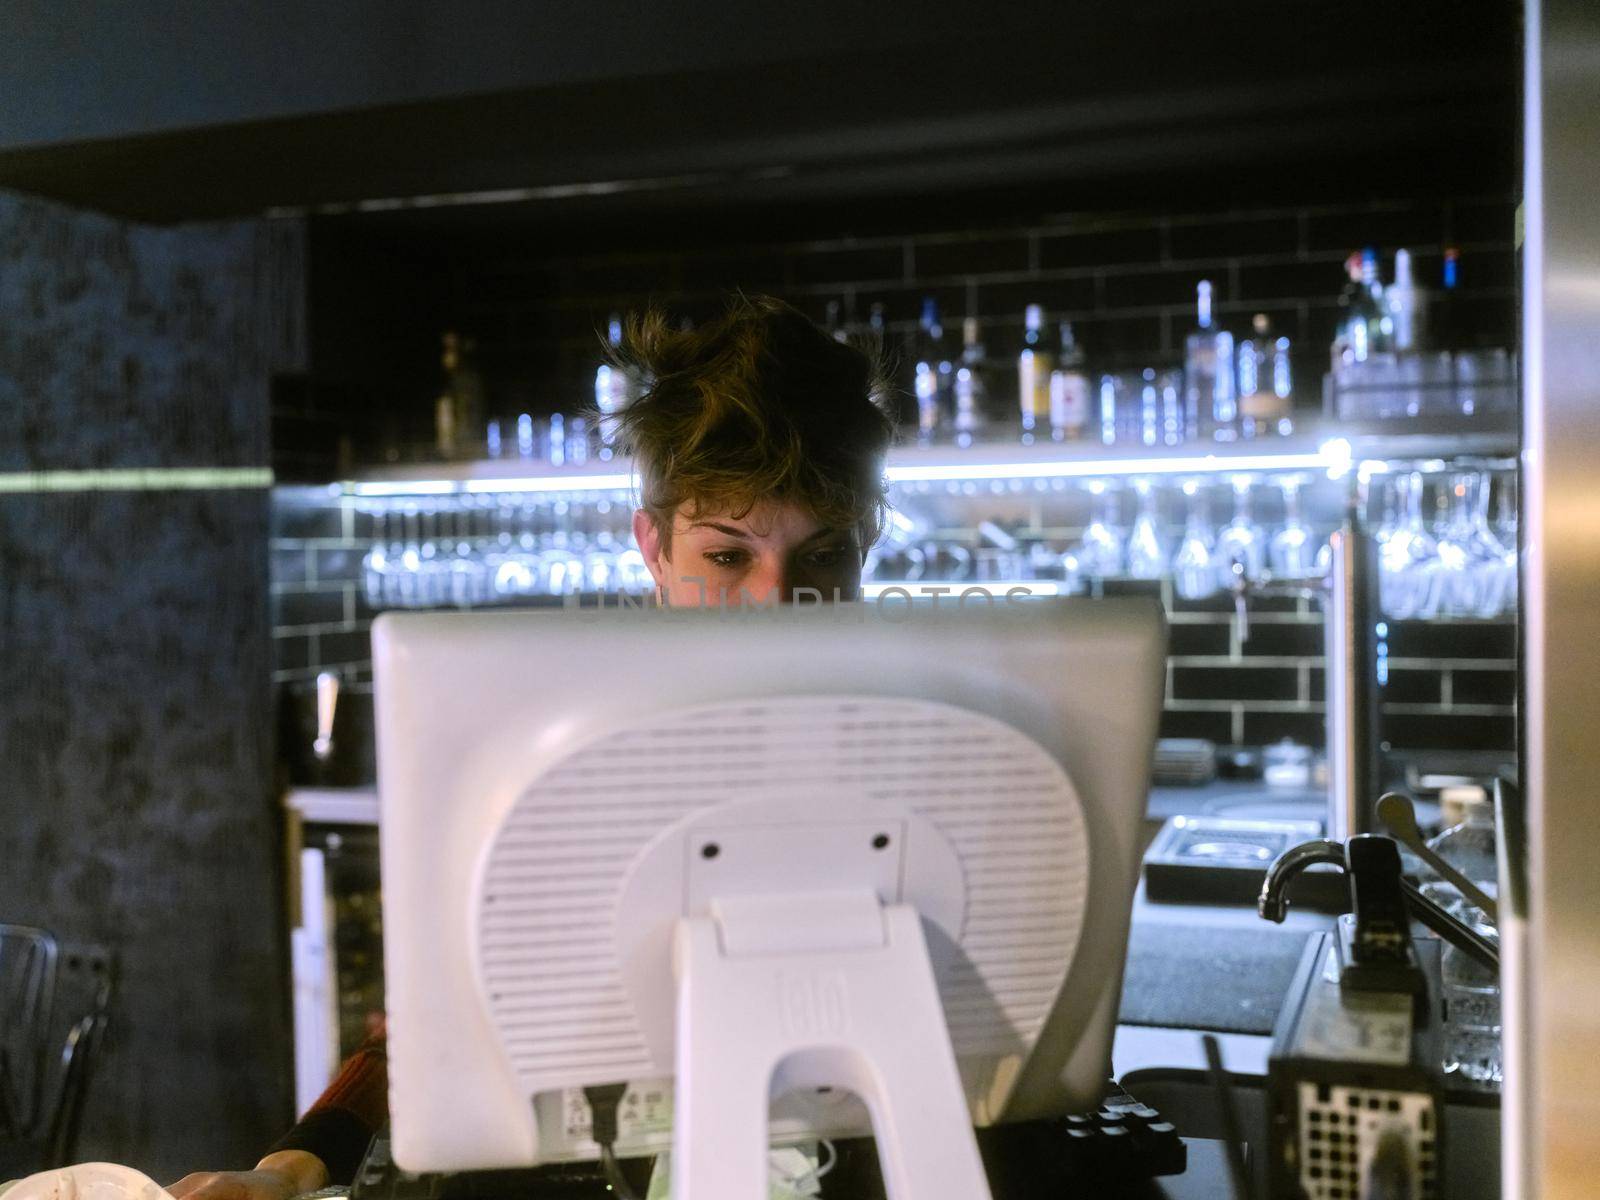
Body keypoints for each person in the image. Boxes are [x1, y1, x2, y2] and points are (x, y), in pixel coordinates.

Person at [167, 294, 896, 1200]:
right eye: (726, 557)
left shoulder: (926, 767)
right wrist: (292, 1166)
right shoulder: (559, 760)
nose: (777, 603)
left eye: (824, 556)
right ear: (654, 550)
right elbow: (427, 1024)